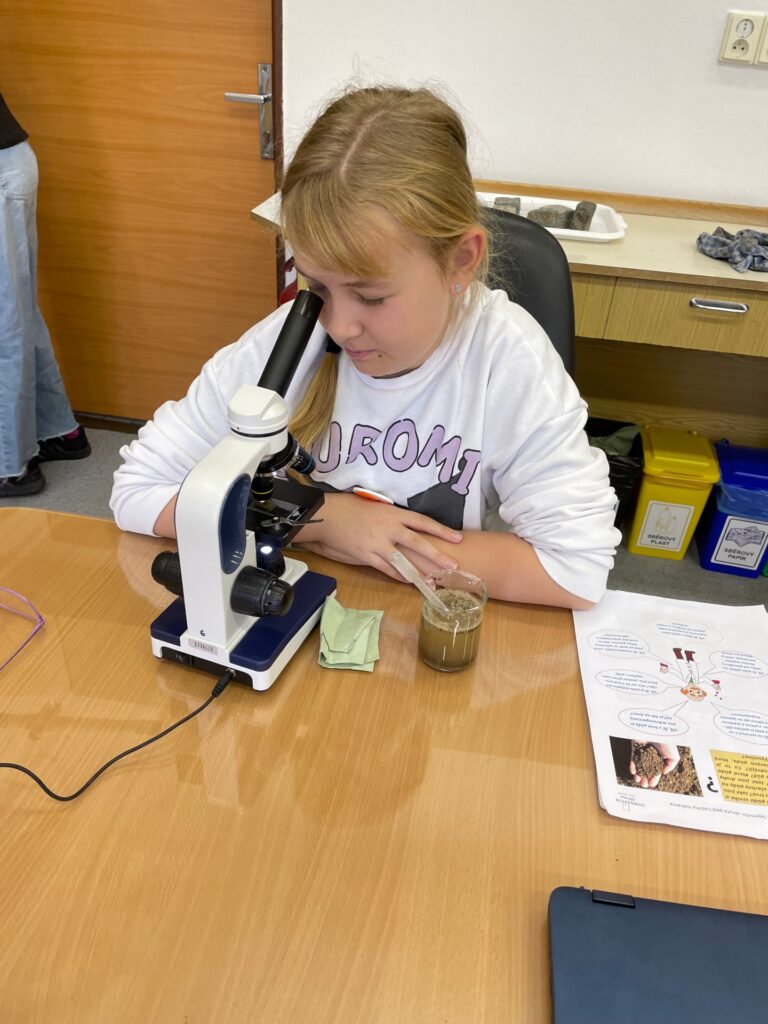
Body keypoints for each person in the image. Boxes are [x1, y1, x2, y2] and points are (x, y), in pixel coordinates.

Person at [111, 85, 620, 607]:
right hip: (298, 602)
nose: (338, 327)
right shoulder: (289, 340)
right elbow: (139, 488)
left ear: (461, 260)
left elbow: (575, 570)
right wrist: (325, 521)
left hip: (432, 620)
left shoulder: (504, 357)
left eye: (371, 297)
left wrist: (379, 540)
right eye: (317, 286)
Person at [0, 93, 90, 498]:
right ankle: (59, 430)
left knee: (6, 319)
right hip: (10, 165)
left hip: (3, 173)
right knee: (17, 312)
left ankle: (9, 466)